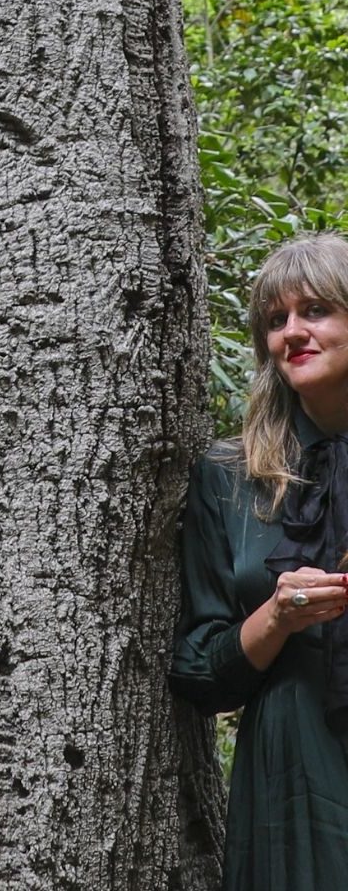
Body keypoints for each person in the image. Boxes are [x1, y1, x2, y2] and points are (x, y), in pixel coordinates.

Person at [170, 232, 348, 890]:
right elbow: (199, 672)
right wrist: (276, 616)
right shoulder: (228, 474)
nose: (293, 332)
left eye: (316, 310)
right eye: (276, 320)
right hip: (289, 773)